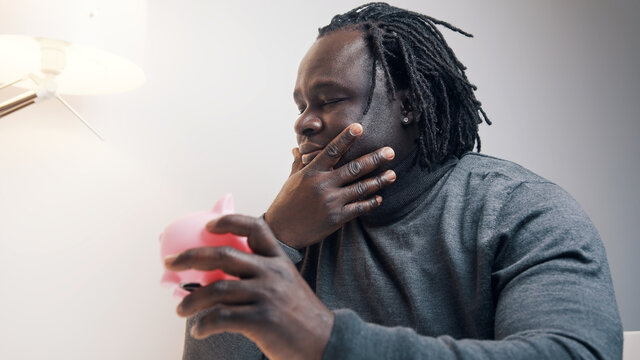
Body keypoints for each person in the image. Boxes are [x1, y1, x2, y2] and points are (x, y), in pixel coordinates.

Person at [164, 3, 623, 359]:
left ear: (410, 106)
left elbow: (576, 352)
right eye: (301, 105)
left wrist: (324, 340)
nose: (303, 123)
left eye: (327, 100)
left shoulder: (522, 211)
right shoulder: (298, 231)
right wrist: (276, 236)